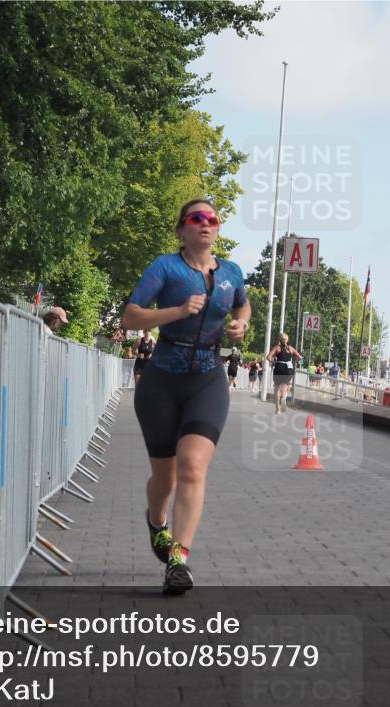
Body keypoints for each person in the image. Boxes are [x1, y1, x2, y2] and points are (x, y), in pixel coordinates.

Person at [122, 198, 250, 595]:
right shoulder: (165, 267)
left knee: (192, 466)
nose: (205, 224)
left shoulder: (231, 272)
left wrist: (240, 326)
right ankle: (156, 521)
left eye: (212, 219)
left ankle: (178, 559)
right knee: (166, 476)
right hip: (161, 380)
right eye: (196, 219)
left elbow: (243, 308)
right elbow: (130, 317)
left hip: (207, 378)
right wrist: (176, 311)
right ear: (182, 229)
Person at [266, 332, 301, 415]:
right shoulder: (290, 348)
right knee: (285, 388)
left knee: (277, 389)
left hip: (279, 367)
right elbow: (299, 357)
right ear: (287, 340)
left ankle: (278, 409)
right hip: (288, 368)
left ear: (279, 339)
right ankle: (284, 398)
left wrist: (273, 363)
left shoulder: (277, 348)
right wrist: (293, 362)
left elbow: (268, 357)